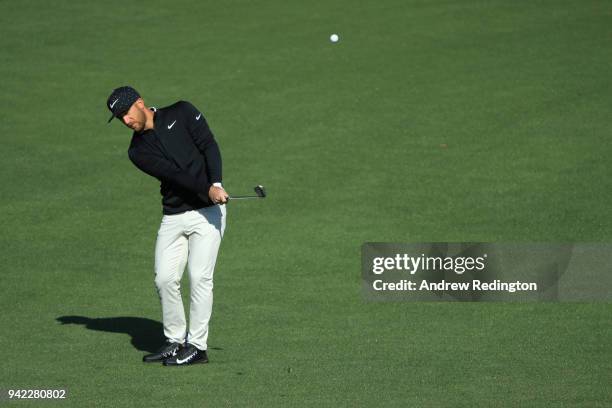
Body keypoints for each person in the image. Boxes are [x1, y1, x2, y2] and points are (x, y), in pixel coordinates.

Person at [106, 86, 229, 366]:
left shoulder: (182, 111)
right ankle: (175, 340)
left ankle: (197, 346)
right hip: (174, 215)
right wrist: (207, 188)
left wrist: (217, 184)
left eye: (126, 112)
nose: (126, 121)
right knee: (164, 278)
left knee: (199, 277)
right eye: (119, 117)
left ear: (140, 103)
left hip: (208, 213)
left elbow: (208, 145)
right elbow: (174, 174)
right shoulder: (137, 151)